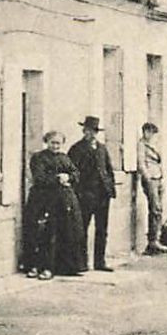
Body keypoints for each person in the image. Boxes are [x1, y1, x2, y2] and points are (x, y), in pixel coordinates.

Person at [21, 130, 88, 279]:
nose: (55, 146)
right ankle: (37, 266)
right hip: (43, 200)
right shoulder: (39, 158)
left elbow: (76, 174)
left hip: (62, 202)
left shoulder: (64, 158)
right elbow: (39, 178)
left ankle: (60, 267)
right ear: (47, 142)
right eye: (53, 143)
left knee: (63, 233)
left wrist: (69, 176)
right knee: (43, 233)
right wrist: (58, 179)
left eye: (58, 143)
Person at [69, 116, 117, 272]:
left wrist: (110, 188)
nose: (92, 134)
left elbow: (108, 169)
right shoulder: (77, 148)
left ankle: (100, 262)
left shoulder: (102, 148)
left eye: (95, 131)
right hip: (85, 194)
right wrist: (79, 192)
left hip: (103, 195)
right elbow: (73, 171)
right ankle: (81, 263)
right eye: (89, 130)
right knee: (82, 228)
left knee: (102, 229)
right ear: (84, 131)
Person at [135, 123, 166, 256]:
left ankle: (156, 239)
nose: (151, 135)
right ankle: (153, 241)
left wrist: (161, 177)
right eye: (150, 132)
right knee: (155, 208)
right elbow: (141, 163)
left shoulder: (155, 144)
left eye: (153, 133)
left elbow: (159, 161)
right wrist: (147, 178)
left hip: (158, 176)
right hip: (150, 178)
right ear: (145, 132)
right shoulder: (141, 144)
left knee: (159, 209)